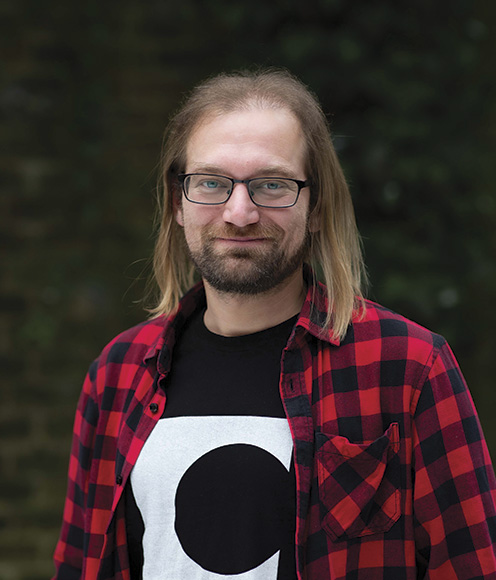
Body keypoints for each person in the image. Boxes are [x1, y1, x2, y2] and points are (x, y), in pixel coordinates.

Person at [53, 69, 496, 580]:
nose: (239, 213)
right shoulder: (118, 373)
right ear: (178, 202)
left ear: (316, 206)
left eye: (271, 185)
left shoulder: (408, 367)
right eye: (211, 183)